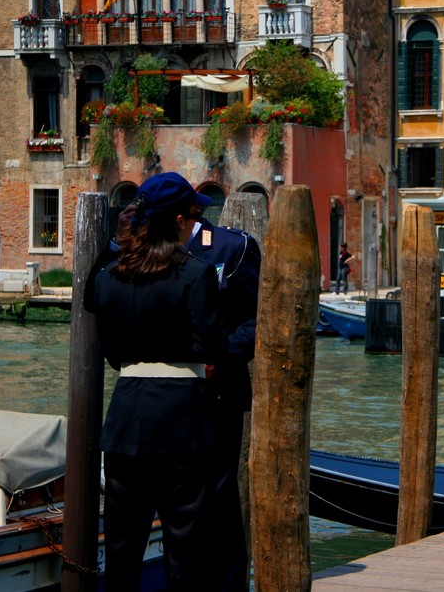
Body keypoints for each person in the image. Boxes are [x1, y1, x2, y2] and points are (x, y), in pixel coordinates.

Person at [87, 172, 228, 589]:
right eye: (191, 216)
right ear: (181, 221)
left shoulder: (109, 276)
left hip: (127, 417)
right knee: (186, 545)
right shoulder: (196, 275)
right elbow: (213, 348)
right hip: (183, 420)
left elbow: (109, 347)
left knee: (122, 549)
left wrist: (117, 241)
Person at [185, 197, 261, 591]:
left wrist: (220, 356)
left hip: (219, 393)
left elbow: (256, 320)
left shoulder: (231, 247)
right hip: (169, 393)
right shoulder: (149, 249)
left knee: (219, 496)